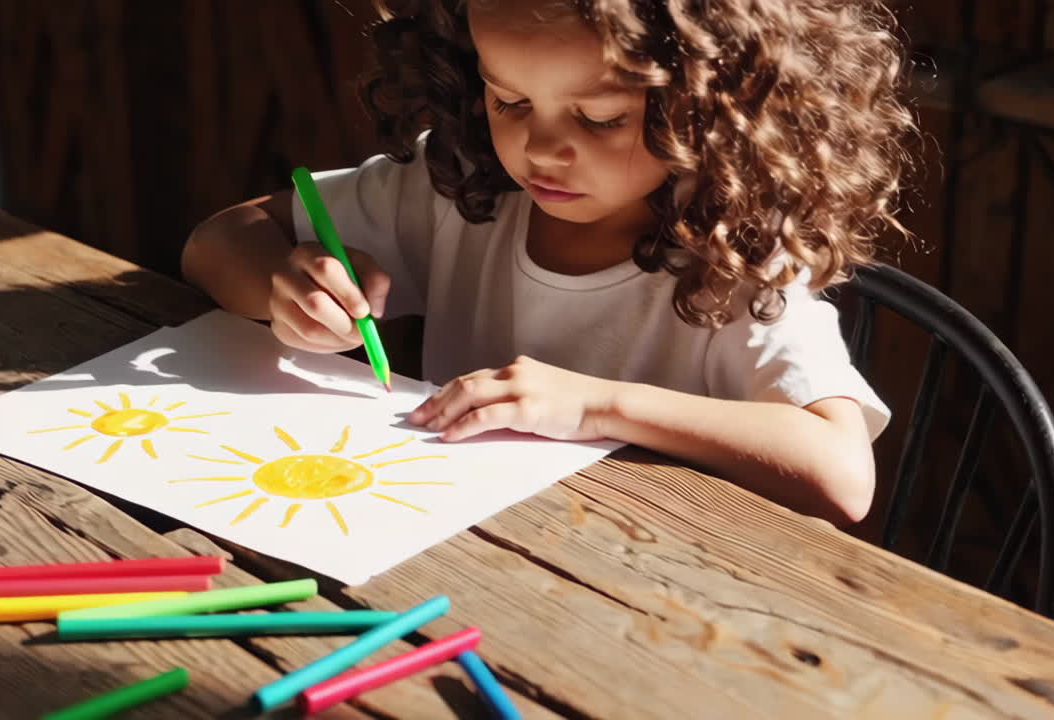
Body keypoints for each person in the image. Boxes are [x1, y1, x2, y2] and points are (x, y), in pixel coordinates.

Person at [181, 0, 918, 526]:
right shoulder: (461, 185)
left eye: (601, 119)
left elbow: (841, 474)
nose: (540, 149)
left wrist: (592, 406)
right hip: (448, 549)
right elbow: (218, 240)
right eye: (507, 100)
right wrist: (285, 285)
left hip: (652, 595)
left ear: (708, 106)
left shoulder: (735, 261)